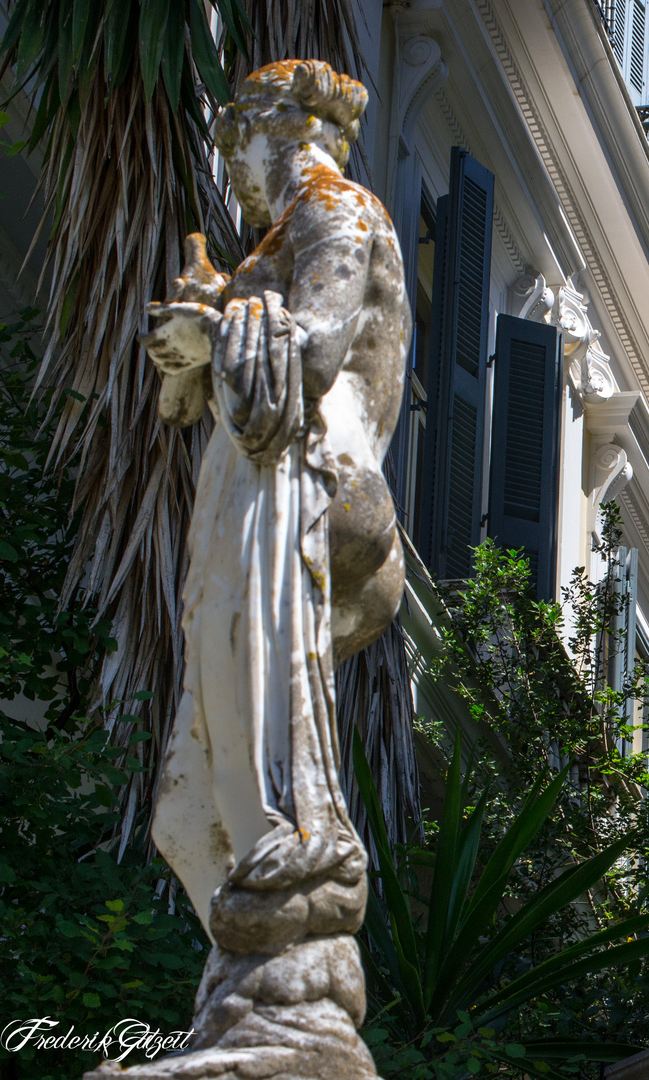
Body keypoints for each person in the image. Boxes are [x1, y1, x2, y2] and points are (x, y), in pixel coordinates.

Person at [122, 59, 407, 1078]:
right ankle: (246, 970)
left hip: (306, 477)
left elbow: (319, 342)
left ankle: (289, 986)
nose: (232, 164)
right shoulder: (275, 242)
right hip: (258, 478)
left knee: (260, 710)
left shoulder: (338, 208)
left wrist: (218, 329)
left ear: (272, 131)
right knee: (202, 758)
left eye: (237, 136)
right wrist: (212, 329)